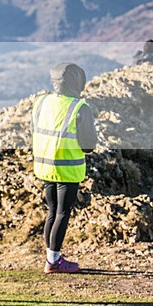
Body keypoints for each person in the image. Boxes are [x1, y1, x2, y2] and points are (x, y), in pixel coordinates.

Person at [32, 62, 97, 274]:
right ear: (78, 82)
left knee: (52, 211)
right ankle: (54, 261)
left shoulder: (41, 102)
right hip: (67, 168)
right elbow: (89, 145)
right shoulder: (80, 107)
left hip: (44, 165)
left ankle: (51, 255)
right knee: (62, 212)